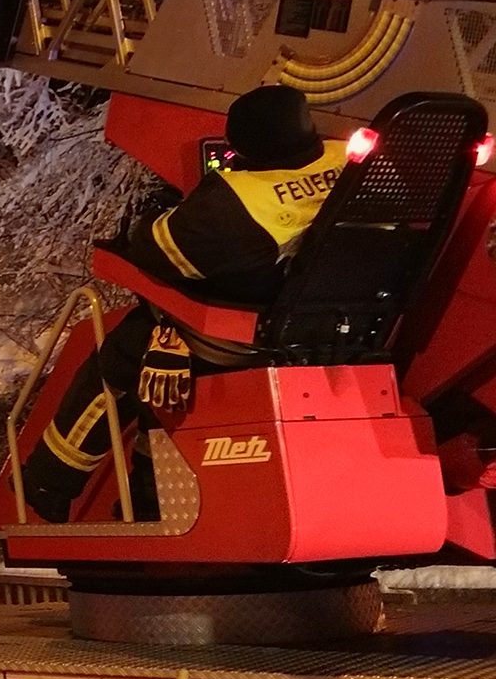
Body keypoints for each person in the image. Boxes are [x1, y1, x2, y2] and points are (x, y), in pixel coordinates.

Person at [19, 85, 349, 522]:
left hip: (243, 343)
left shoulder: (239, 202)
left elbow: (155, 252)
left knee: (126, 355)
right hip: (333, 330)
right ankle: (148, 496)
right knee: (159, 367)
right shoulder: (348, 160)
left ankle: (48, 483)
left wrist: (155, 212)